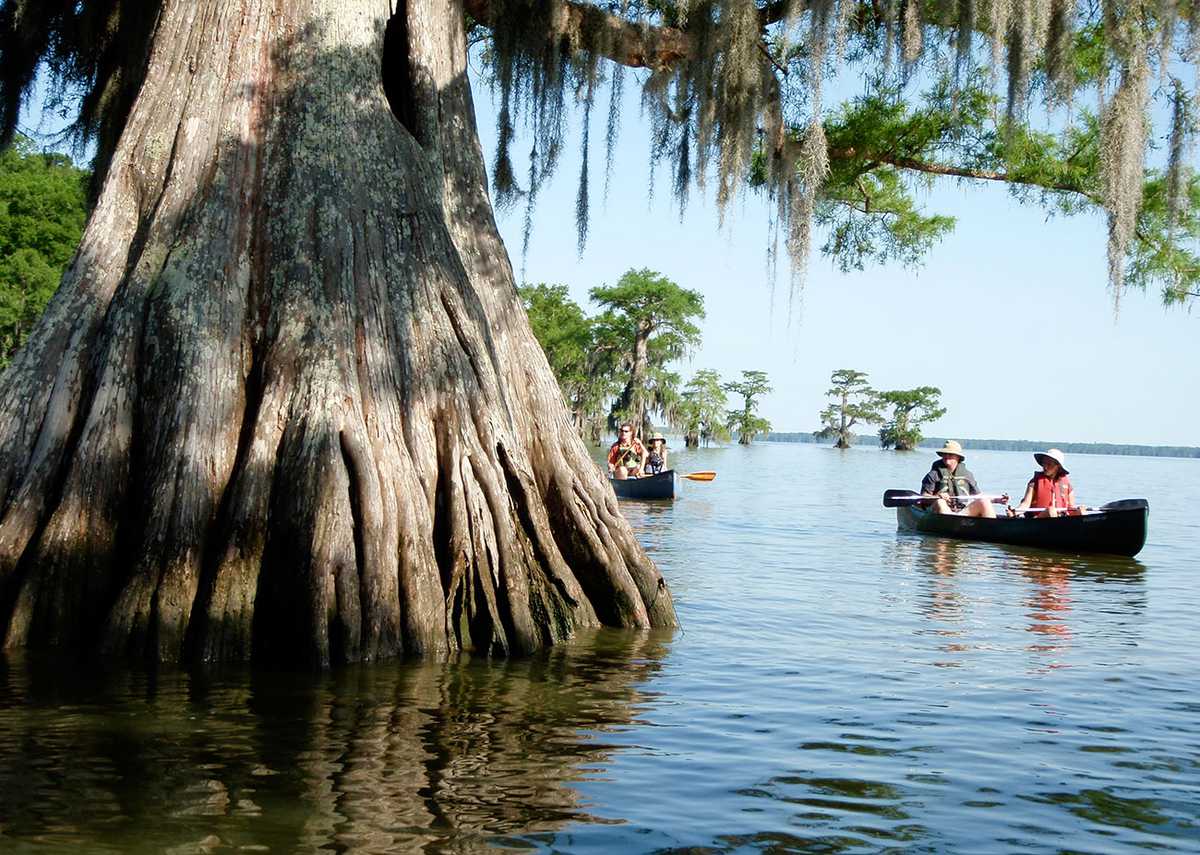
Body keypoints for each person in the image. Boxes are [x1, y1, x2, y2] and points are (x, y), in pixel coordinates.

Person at [920, 440, 1003, 518]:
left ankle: (991, 529)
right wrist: (937, 496)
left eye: (950, 454)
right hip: (939, 512)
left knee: (984, 501)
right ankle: (949, 527)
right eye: (944, 454)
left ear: (958, 457)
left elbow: (978, 495)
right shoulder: (933, 474)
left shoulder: (967, 475)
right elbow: (924, 497)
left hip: (961, 512)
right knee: (940, 502)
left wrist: (997, 500)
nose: (946, 456)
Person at [1009, 448, 1082, 517]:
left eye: (1049, 464)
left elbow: (1071, 508)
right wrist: (1015, 512)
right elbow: (1025, 504)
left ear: (1057, 466)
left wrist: (1079, 510)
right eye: (1044, 463)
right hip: (1040, 519)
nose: (1045, 467)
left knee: (1081, 511)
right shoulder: (1034, 482)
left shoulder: (1067, 485)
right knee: (1051, 511)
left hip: (1062, 519)